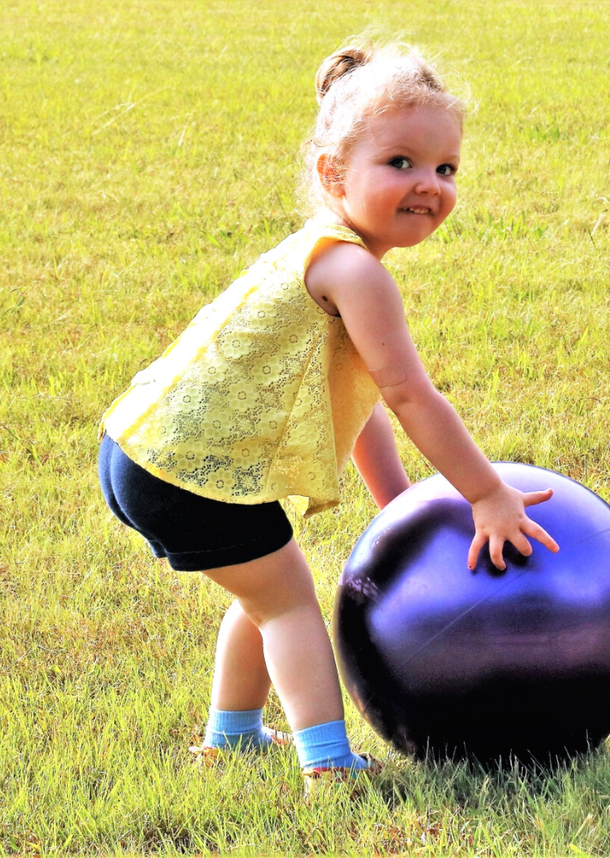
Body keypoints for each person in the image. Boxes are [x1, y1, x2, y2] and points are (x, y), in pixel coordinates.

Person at [97, 40, 559, 791]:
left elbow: (359, 390)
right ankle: (328, 763)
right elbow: (410, 394)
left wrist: (396, 501)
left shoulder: (323, 251)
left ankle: (233, 739)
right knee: (287, 605)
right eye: (400, 163)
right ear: (332, 172)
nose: (429, 185)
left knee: (261, 589)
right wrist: (485, 493)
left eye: (446, 170)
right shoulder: (354, 271)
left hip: (146, 452)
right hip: (184, 471)